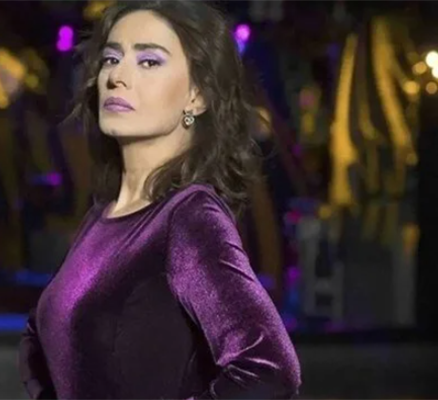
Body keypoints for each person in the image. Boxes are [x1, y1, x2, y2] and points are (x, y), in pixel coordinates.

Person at [18, 1, 301, 399]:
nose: (117, 76)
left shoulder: (189, 219)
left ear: (197, 95)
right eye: (111, 58)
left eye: (148, 61)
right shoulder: (104, 214)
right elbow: (41, 340)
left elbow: (269, 370)